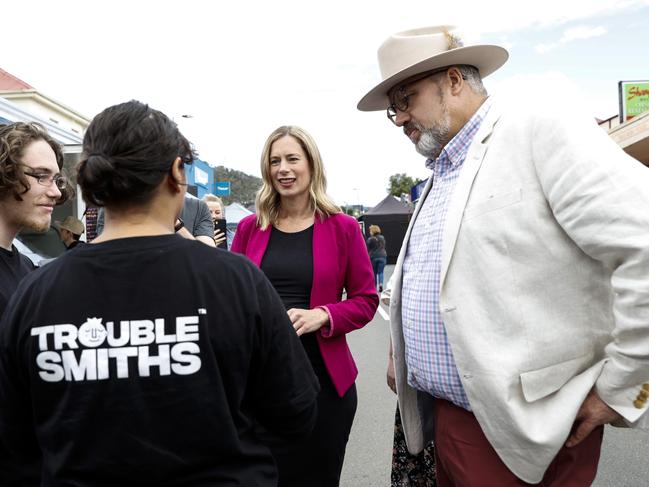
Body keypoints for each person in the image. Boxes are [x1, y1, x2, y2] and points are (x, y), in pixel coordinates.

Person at [357, 25, 649, 486]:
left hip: (523, 434)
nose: (399, 118)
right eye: (394, 107)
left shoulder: (538, 130)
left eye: (405, 99)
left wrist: (625, 387)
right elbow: (439, 272)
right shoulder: (441, 173)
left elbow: (644, 243)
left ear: (453, 80)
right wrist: (402, 345)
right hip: (451, 422)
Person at [0, 101, 319, 486]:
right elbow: (295, 412)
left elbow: (17, 439)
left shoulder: (35, 294)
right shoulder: (237, 282)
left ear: (90, 181)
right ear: (175, 173)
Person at [232, 125, 378, 487]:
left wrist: (323, 315)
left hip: (323, 385)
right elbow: (231, 295)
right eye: (275, 161)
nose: (283, 168)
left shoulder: (342, 227)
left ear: (311, 164)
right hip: (260, 384)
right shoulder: (251, 227)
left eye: (292, 159)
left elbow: (366, 300)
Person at [0, 122, 71, 316]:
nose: (56, 192)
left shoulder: (27, 269)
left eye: (57, 180)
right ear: (4, 174)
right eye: (41, 176)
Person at [95, 193, 216, 247]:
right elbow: (105, 250)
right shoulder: (111, 207)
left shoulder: (198, 207)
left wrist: (175, 223)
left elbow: (208, 257)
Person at [366, 224, 387, 292]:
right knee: (381, 272)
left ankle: (374, 287)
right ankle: (381, 285)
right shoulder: (382, 238)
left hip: (373, 257)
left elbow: (367, 249)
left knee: (374, 273)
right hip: (382, 256)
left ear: (372, 231)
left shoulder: (370, 239)